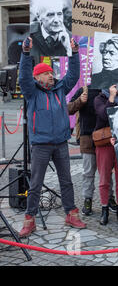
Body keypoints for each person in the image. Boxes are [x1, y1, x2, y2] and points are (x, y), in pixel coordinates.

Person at [18, 37, 86, 238]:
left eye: (51, 72)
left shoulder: (59, 89)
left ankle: (71, 213)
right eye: (46, 73)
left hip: (61, 143)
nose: (51, 75)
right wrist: (25, 53)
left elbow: (73, 75)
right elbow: (23, 76)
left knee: (66, 181)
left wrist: (74, 53)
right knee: (36, 184)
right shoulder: (31, 92)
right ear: (37, 77)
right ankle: (29, 220)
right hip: (41, 144)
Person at [68, 86, 118, 216]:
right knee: (88, 172)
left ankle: (109, 197)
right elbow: (69, 109)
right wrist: (80, 100)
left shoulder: (111, 89)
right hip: (88, 137)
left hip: (106, 136)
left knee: (106, 171)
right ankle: (87, 199)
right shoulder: (84, 89)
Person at [94, 84, 118, 225]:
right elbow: (104, 115)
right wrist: (111, 97)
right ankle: (104, 209)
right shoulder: (99, 98)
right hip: (105, 144)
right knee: (104, 178)